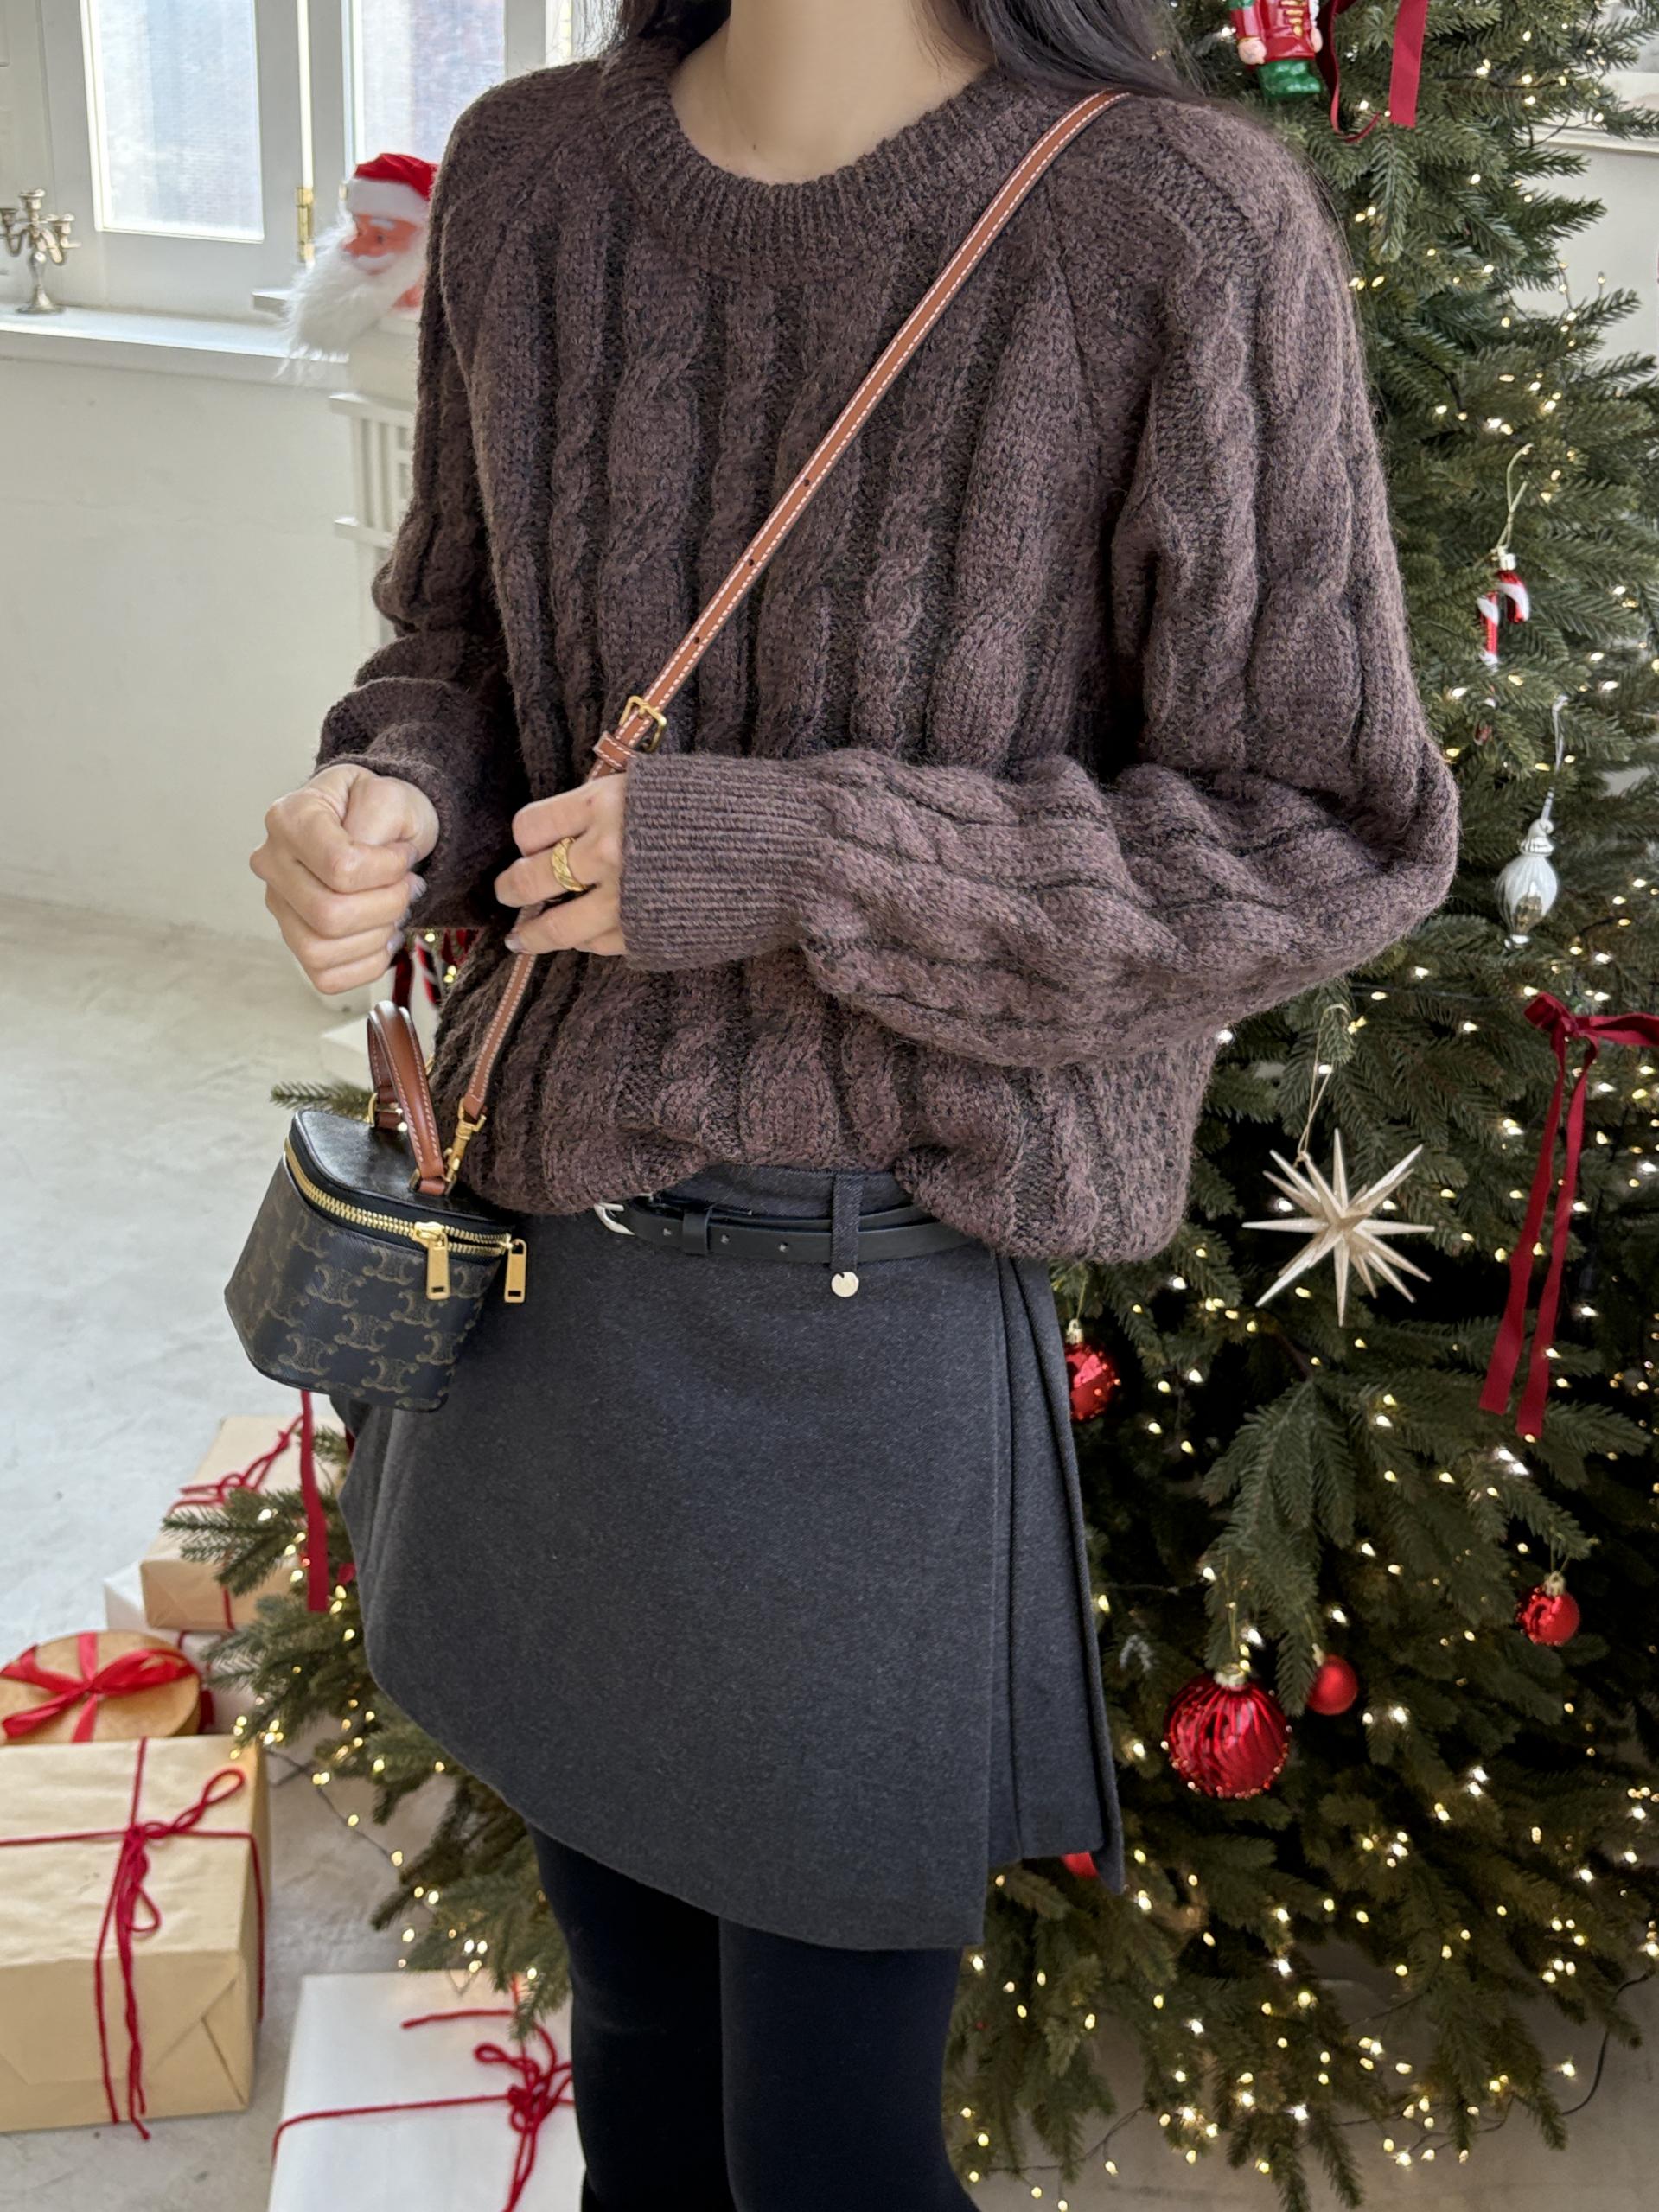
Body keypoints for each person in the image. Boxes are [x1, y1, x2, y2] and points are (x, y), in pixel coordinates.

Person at [248, 2, 1458, 2205]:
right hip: (547, 1282)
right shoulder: (531, 171)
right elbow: (463, 644)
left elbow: (1330, 827)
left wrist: (800, 851)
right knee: (630, 2026)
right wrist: (392, 797)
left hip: (869, 1319)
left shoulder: (1177, 222)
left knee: (827, 2138)